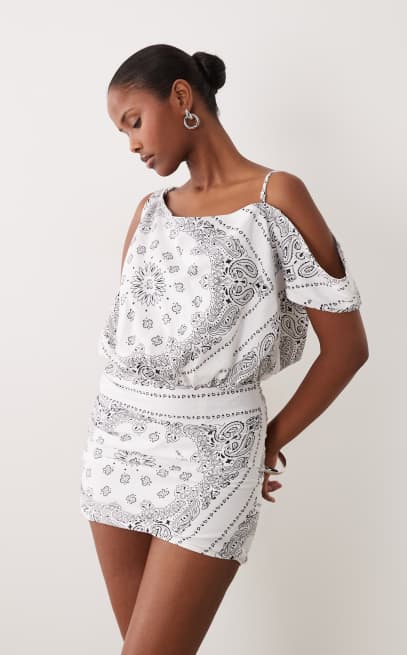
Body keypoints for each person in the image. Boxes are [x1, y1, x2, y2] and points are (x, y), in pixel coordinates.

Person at [79, 43, 369, 655]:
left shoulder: (276, 197)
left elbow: (347, 348)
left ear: (181, 97)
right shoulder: (149, 213)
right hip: (116, 445)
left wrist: (269, 440)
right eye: (121, 132)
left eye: (134, 121)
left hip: (215, 456)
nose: (131, 144)